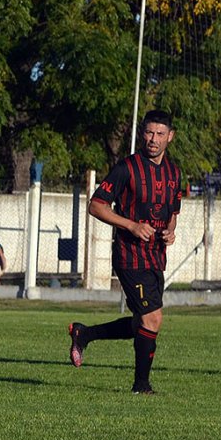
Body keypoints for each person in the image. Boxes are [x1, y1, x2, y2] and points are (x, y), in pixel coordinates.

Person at [68, 109, 182, 394]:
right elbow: (96, 205)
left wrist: (170, 230)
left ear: (170, 137)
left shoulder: (174, 172)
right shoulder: (127, 168)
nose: (152, 139)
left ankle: (85, 333)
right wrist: (130, 225)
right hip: (130, 255)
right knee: (152, 318)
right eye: (148, 133)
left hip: (156, 256)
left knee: (141, 322)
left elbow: (173, 211)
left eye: (159, 134)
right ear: (142, 133)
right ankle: (141, 386)